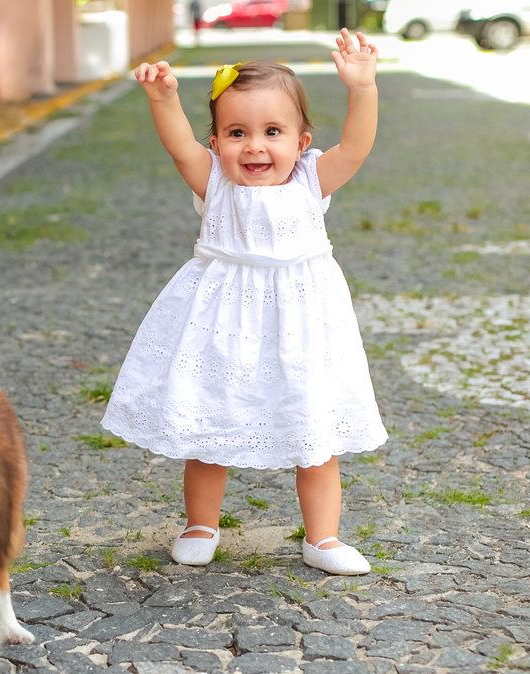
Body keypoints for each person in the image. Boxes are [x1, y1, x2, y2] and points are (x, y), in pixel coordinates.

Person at [101, 31, 387, 574]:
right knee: (211, 426)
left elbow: (357, 147)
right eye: (237, 132)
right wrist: (164, 99)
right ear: (216, 142)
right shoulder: (213, 182)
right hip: (223, 319)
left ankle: (322, 538)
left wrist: (363, 88)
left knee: (313, 428)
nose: (255, 146)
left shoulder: (311, 181)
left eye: (272, 131)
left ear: (301, 143)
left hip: (300, 323)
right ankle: (201, 524)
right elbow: (178, 145)